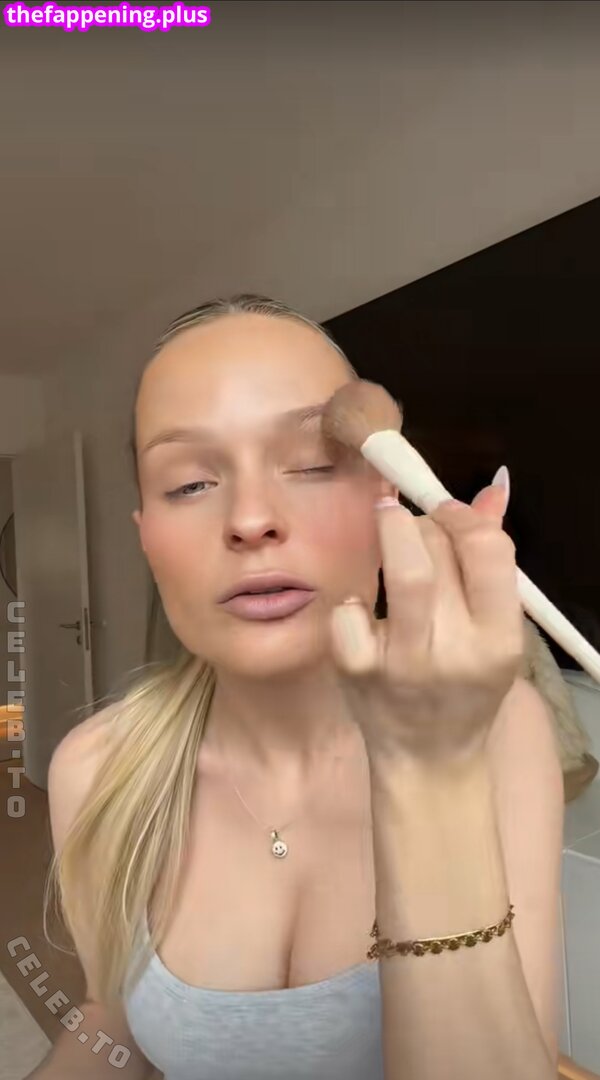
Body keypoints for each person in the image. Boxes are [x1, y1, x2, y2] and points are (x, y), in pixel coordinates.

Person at [33, 294, 564, 1080]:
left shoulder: (495, 727)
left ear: (387, 497)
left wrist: (428, 774)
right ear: (146, 535)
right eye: (189, 484)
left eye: (313, 465)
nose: (251, 519)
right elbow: (112, 1024)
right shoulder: (96, 770)